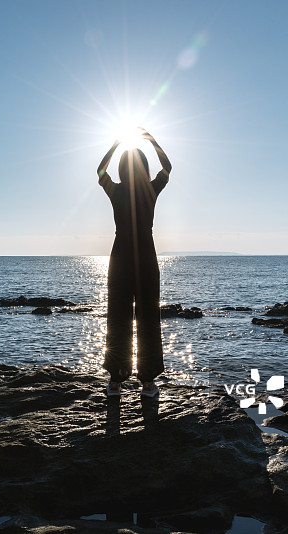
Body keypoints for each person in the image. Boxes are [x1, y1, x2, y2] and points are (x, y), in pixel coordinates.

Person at [97, 128, 172, 399]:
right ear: (144, 168)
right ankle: (148, 384)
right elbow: (168, 167)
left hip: (120, 257)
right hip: (145, 256)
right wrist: (152, 141)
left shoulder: (116, 191)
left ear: (122, 169)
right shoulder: (151, 189)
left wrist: (116, 145)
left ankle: (115, 382)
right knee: (149, 318)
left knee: (118, 317)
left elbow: (100, 171)